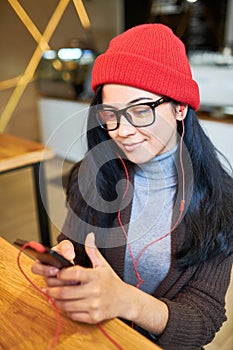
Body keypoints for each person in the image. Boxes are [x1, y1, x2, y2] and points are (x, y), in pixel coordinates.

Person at [32, 24, 233, 350]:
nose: (121, 131)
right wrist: (68, 259)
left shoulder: (221, 199)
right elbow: (76, 245)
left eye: (140, 111)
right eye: (110, 114)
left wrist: (127, 302)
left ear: (180, 107)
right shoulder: (94, 173)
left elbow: (204, 317)